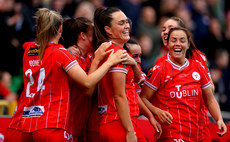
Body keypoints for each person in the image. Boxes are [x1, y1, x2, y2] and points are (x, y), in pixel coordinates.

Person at [5, 8, 129, 142]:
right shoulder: (63, 54)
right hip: (53, 124)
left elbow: (31, 46)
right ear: (60, 29)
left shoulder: (29, 49)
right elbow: (88, 85)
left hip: (25, 123)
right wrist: (108, 61)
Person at [140, 27, 227, 142]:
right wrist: (156, 111)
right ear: (167, 44)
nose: (177, 44)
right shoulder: (159, 69)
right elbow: (143, 98)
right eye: (173, 40)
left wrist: (219, 119)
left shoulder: (198, 67)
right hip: (172, 133)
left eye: (182, 40)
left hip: (197, 133)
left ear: (188, 44)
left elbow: (209, 99)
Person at [93, 7, 161, 142]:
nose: (127, 26)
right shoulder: (118, 53)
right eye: (121, 23)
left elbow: (131, 88)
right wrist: (129, 131)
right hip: (119, 123)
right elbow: (119, 96)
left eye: (127, 22)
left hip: (115, 122)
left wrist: (149, 116)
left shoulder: (109, 50)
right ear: (108, 30)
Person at [154, 16, 215, 141]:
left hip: (198, 125)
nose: (165, 32)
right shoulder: (159, 63)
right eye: (163, 29)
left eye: (170, 28)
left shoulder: (197, 57)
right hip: (172, 127)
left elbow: (211, 89)